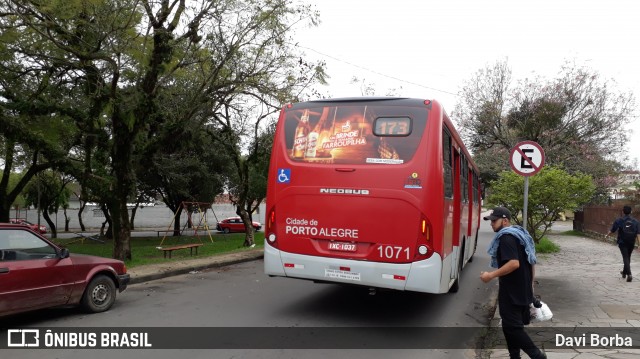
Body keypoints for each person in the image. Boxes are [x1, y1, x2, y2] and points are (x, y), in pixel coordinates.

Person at [480, 207, 546, 359]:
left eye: (494, 221)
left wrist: (490, 275)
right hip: (521, 288)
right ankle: (514, 356)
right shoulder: (519, 234)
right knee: (509, 326)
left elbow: (513, 263)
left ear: (505, 220)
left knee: (513, 328)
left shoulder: (506, 238)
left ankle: (537, 356)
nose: (491, 224)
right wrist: (530, 286)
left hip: (513, 291)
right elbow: (531, 262)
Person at [607, 205, 640, 282]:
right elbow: (638, 234)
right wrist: (639, 245)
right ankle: (624, 272)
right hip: (631, 242)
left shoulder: (619, 220)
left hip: (622, 242)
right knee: (628, 257)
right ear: (631, 211)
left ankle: (629, 274)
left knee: (625, 257)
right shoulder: (636, 221)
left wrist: (607, 235)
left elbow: (612, 230)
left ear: (623, 211)